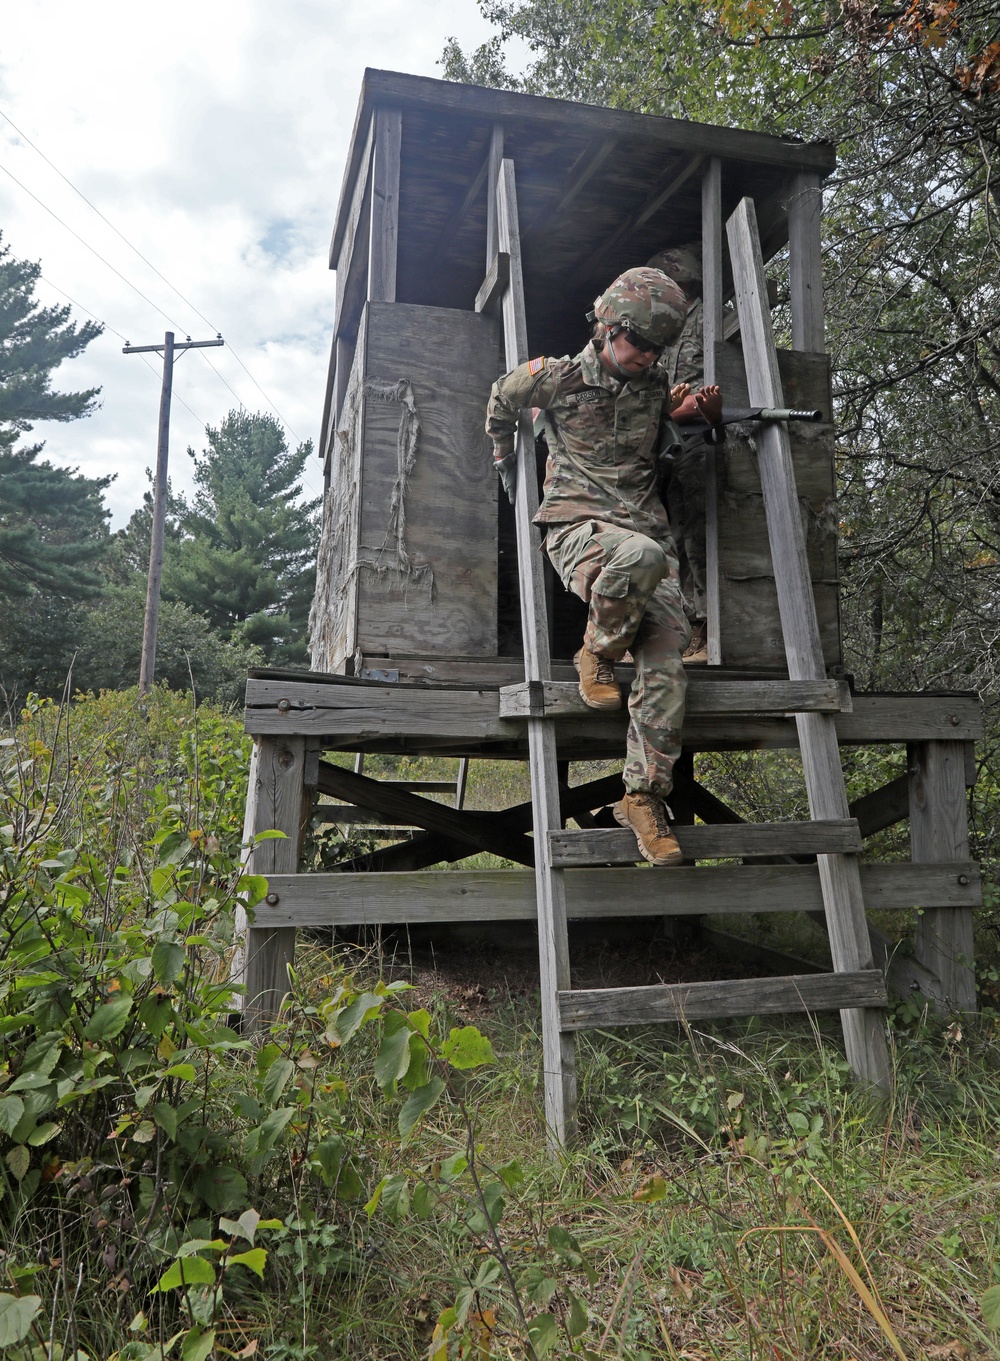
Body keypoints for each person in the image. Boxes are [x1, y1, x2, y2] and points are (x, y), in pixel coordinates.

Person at [485, 266, 722, 867]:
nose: (645, 356)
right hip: (579, 531)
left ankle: (641, 799)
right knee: (639, 557)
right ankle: (597, 651)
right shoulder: (558, 380)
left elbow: (676, 415)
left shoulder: (654, 386)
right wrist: (502, 452)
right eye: (638, 343)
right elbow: (501, 397)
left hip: (644, 538)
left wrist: (700, 413)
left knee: (669, 664)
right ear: (609, 327)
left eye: (655, 348)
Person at [646, 245, 709, 665]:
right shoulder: (660, 328)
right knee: (664, 536)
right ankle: (682, 628)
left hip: (700, 437)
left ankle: (706, 629)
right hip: (664, 442)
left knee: (696, 536)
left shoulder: (711, 320)